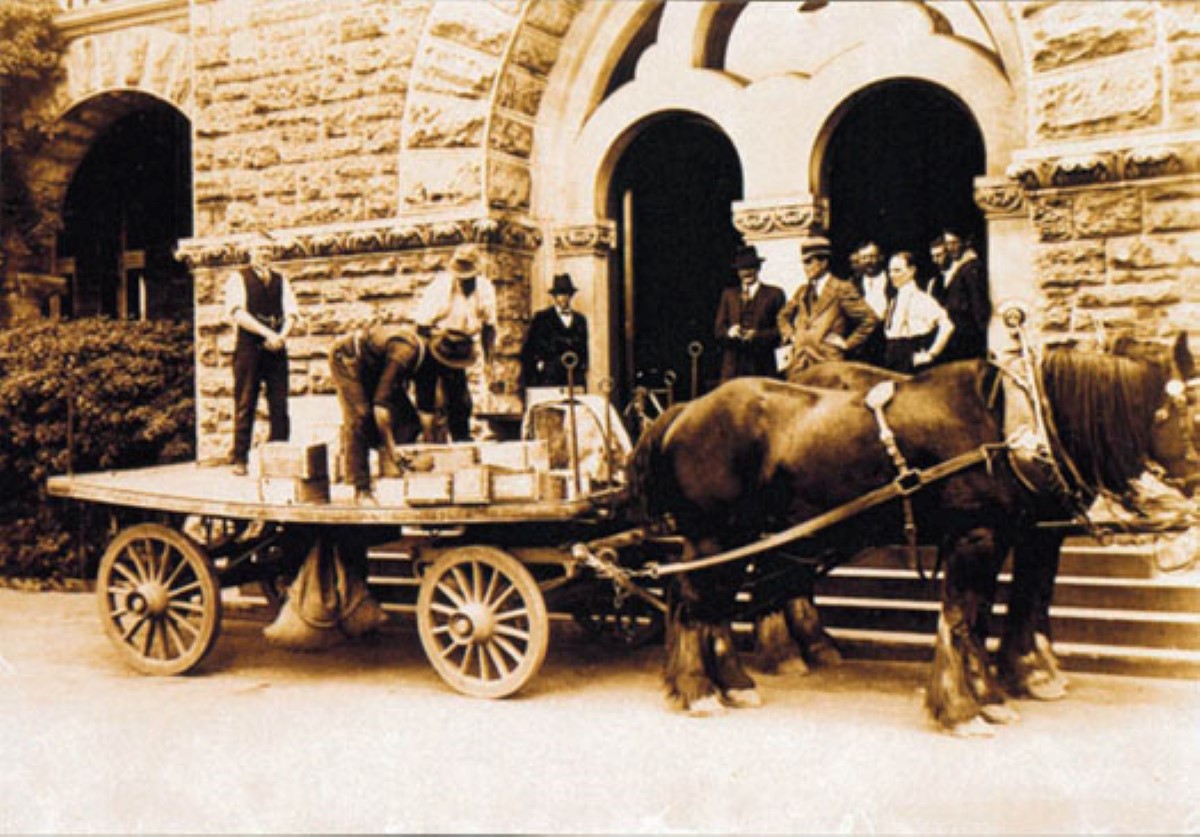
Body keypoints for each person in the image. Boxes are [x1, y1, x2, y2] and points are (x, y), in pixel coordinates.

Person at [223, 230, 299, 476]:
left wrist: (281, 337)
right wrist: (267, 333)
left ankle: (281, 457)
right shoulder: (238, 279)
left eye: (268, 250)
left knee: (279, 404)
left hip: (276, 348)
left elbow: (291, 313)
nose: (264, 255)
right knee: (246, 402)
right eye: (259, 250)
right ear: (250, 252)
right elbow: (237, 313)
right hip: (249, 349)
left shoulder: (281, 280)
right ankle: (240, 458)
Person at [329, 324, 427, 503]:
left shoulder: (425, 358)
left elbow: (429, 411)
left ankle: (406, 479)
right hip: (347, 358)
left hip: (373, 366)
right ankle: (362, 488)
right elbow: (381, 407)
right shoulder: (403, 354)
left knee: (410, 421)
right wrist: (392, 449)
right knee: (361, 416)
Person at [411, 243, 497, 442]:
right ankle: (429, 438)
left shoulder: (485, 290)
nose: (464, 281)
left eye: (469, 278)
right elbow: (421, 325)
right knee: (428, 395)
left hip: (460, 347)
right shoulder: (440, 288)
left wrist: (489, 361)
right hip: (435, 343)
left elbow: (489, 327)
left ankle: (461, 437)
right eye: (461, 277)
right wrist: (425, 355)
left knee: (459, 398)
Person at [777, 234, 879, 382]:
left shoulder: (841, 288)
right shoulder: (802, 291)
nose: (805, 268)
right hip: (799, 364)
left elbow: (869, 319)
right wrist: (792, 335)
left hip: (827, 363)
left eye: (809, 262)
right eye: (804, 262)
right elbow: (782, 316)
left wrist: (846, 343)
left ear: (823, 262)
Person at [713, 245, 786, 382]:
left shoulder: (774, 294)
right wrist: (730, 332)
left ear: (758, 268)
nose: (746, 272)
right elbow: (718, 330)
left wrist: (757, 335)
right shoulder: (729, 295)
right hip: (733, 369)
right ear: (737, 271)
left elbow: (782, 331)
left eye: (750, 267)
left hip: (762, 368)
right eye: (742, 269)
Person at [881, 251, 955, 374]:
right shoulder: (894, 300)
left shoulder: (922, 299)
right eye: (890, 271)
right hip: (892, 355)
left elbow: (947, 326)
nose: (892, 275)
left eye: (897, 270)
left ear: (912, 270)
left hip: (911, 356)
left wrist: (931, 354)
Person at [520, 272, 589, 390]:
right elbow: (531, 347)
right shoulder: (542, 318)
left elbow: (584, 349)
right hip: (550, 376)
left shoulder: (580, 320)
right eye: (560, 294)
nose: (563, 298)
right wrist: (540, 367)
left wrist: (582, 368)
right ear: (555, 296)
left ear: (571, 296)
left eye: (566, 294)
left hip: (573, 376)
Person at [930, 230, 991, 362]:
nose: (951, 248)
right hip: (956, 335)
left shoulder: (972, 268)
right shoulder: (958, 268)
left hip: (967, 337)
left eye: (954, 243)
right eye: (947, 244)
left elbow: (978, 305)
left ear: (966, 242)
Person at [847, 240, 891, 367]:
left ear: (881, 257)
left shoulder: (893, 281)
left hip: (885, 345)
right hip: (861, 348)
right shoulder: (852, 284)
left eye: (872, 256)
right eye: (864, 258)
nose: (868, 261)